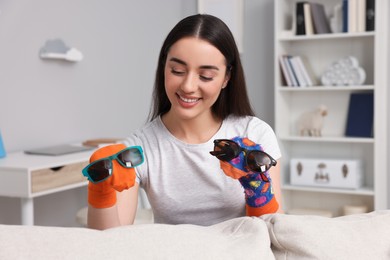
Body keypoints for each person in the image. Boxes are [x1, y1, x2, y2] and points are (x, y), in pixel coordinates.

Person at [87, 14, 282, 230]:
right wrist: (100, 191)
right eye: (177, 71)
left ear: (226, 78)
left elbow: (272, 231)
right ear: (164, 67)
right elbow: (111, 241)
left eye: (206, 76)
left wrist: (257, 191)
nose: (188, 86)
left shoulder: (254, 133)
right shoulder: (140, 147)